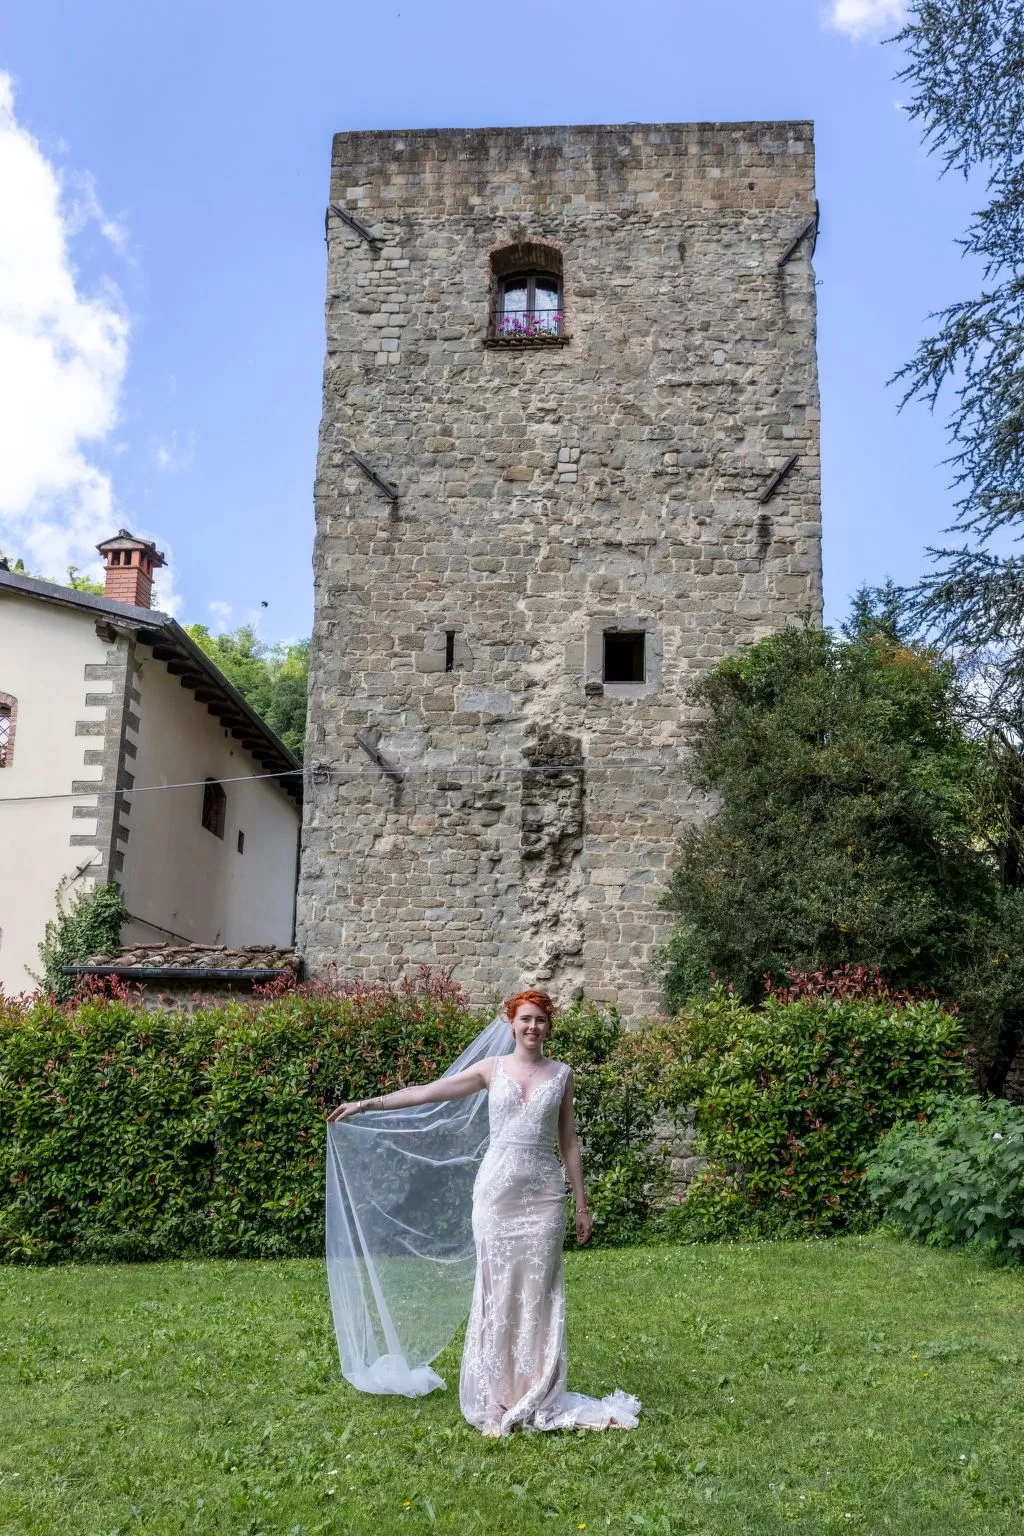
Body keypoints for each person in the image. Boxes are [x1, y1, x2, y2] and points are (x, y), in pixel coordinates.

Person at [328, 988, 641, 1437]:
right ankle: (495, 1394)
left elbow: (569, 1142)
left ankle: (537, 1390)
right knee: (496, 1290)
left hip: (544, 1196)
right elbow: (426, 1093)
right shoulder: (491, 1069)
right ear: (510, 1023)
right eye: (525, 1019)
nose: (532, 1027)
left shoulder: (562, 1075)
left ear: (549, 1027)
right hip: (496, 1196)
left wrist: (582, 1204)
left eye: (540, 1020)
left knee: (538, 1292)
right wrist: (366, 1104)